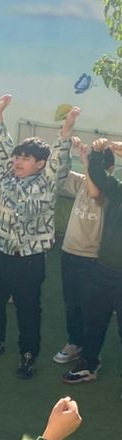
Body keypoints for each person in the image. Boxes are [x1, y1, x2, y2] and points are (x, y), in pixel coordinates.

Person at [0, 96, 77, 379]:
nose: (18, 161)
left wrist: (67, 128)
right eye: (17, 157)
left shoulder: (48, 182)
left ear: (41, 164)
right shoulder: (6, 174)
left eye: (25, 158)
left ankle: (28, 354)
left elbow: (59, 156)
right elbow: (1, 144)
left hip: (29, 260)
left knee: (28, 307)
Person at [63, 136, 122, 386]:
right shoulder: (117, 190)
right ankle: (89, 363)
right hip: (104, 269)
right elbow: (97, 177)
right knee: (94, 320)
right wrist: (97, 153)